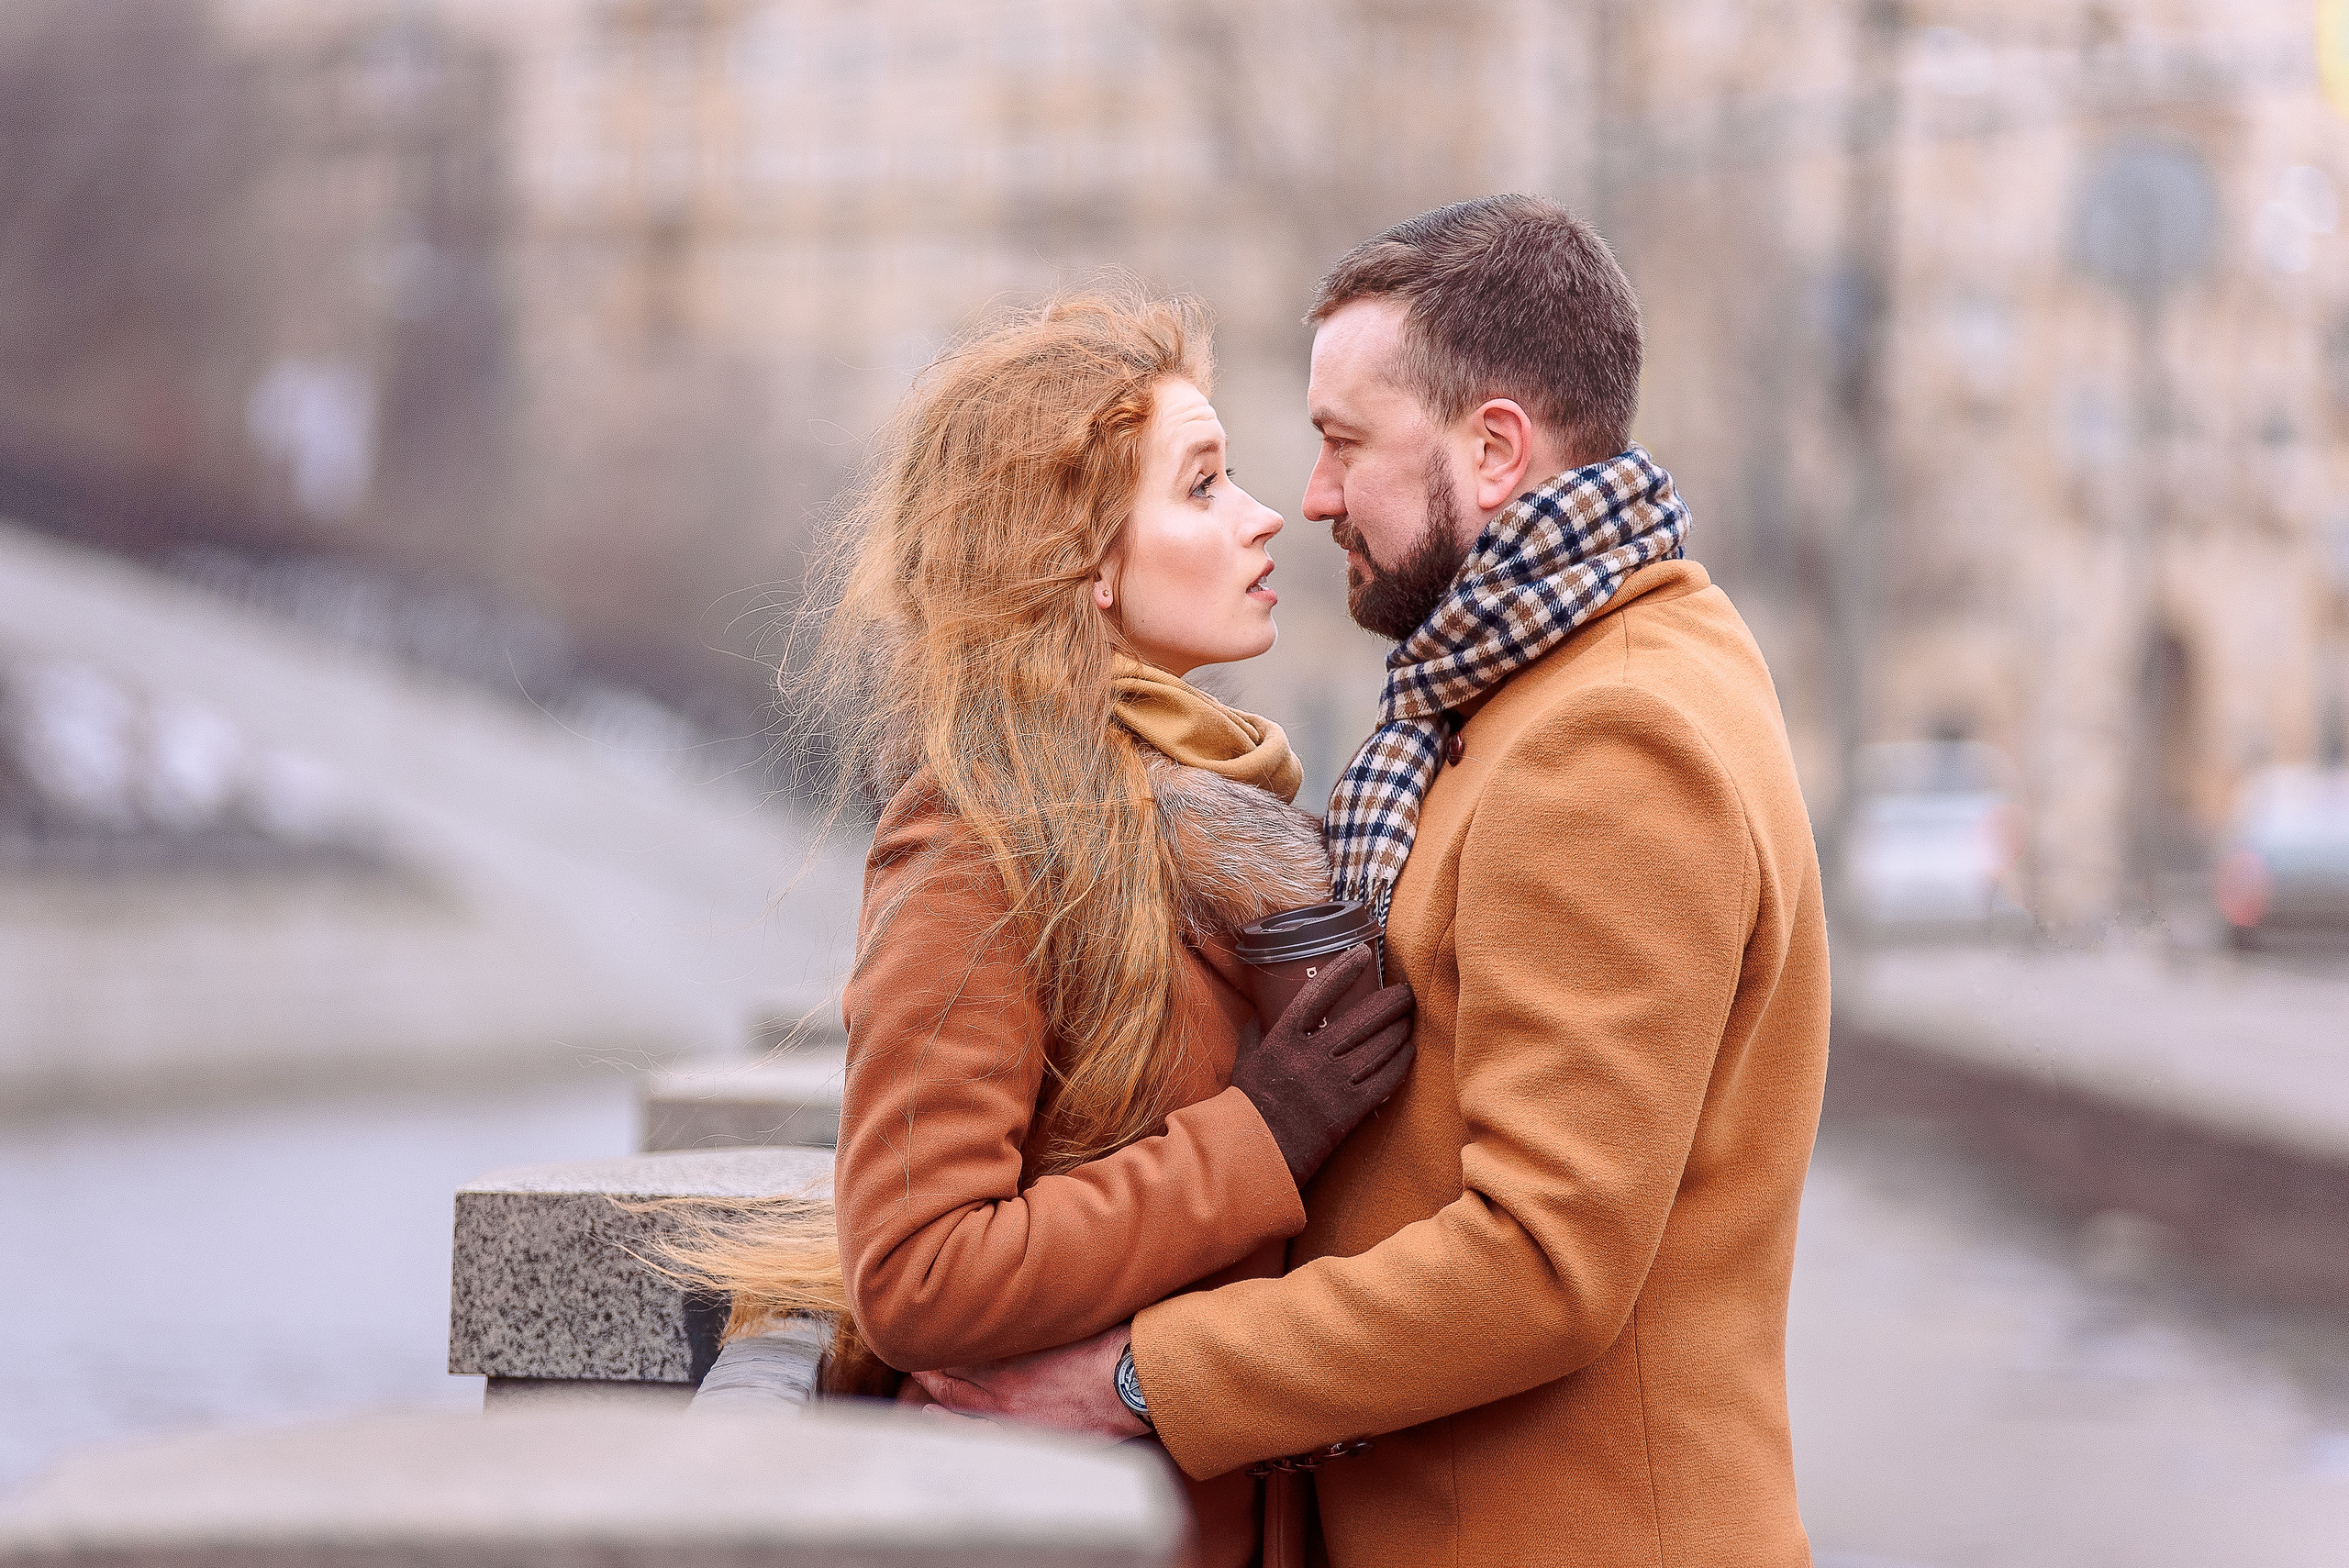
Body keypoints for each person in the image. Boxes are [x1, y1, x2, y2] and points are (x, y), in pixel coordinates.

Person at [915, 196, 1833, 1568]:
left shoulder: (1612, 737)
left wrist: (1133, 1376)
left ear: (1497, 448)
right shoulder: (1542, 685)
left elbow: (1539, 1262)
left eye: (1345, 443)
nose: (1318, 494)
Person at [662, 292, 1417, 1568]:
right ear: (1086, 559)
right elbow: (916, 1271)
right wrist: (1259, 1134)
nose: (1263, 514)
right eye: (1203, 486)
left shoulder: (1222, 816)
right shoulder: (977, 839)